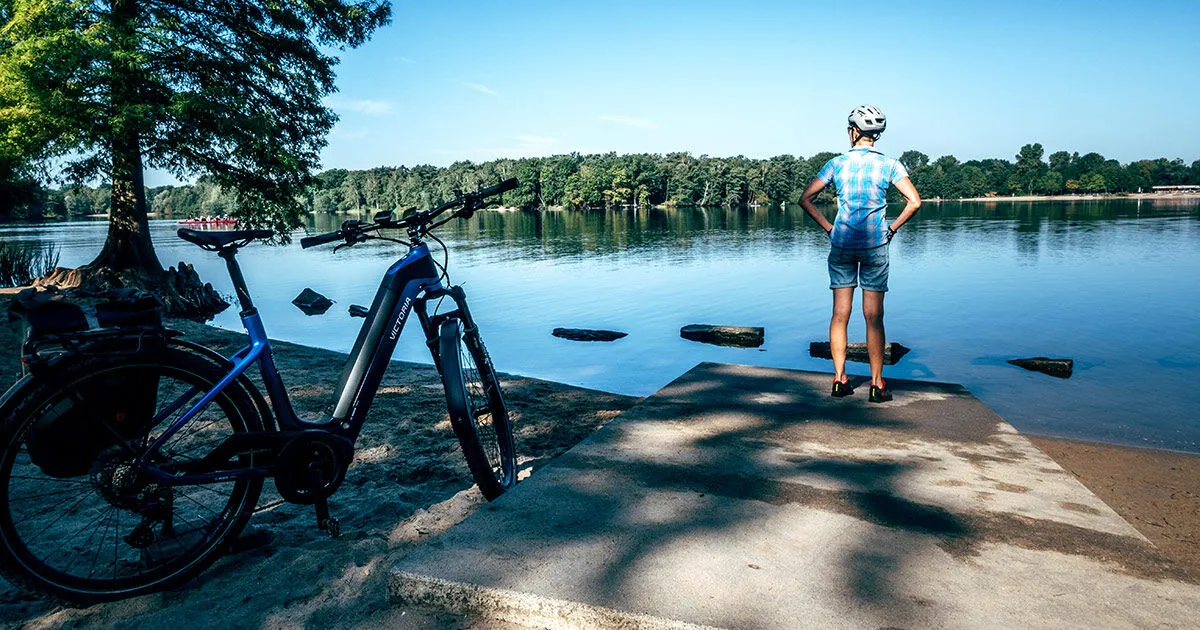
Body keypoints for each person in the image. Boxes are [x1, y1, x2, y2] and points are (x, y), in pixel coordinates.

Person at [799, 105, 921, 403]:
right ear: (875, 135)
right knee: (874, 316)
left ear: (854, 131)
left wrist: (829, 228)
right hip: (875, 245)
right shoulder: (890, 165)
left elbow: (806, 199)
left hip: (842, 244)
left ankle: (840, 380)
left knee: (840, 314)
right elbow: (914, 202)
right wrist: (892, 229)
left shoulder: (836, 164)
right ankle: (877, 385)